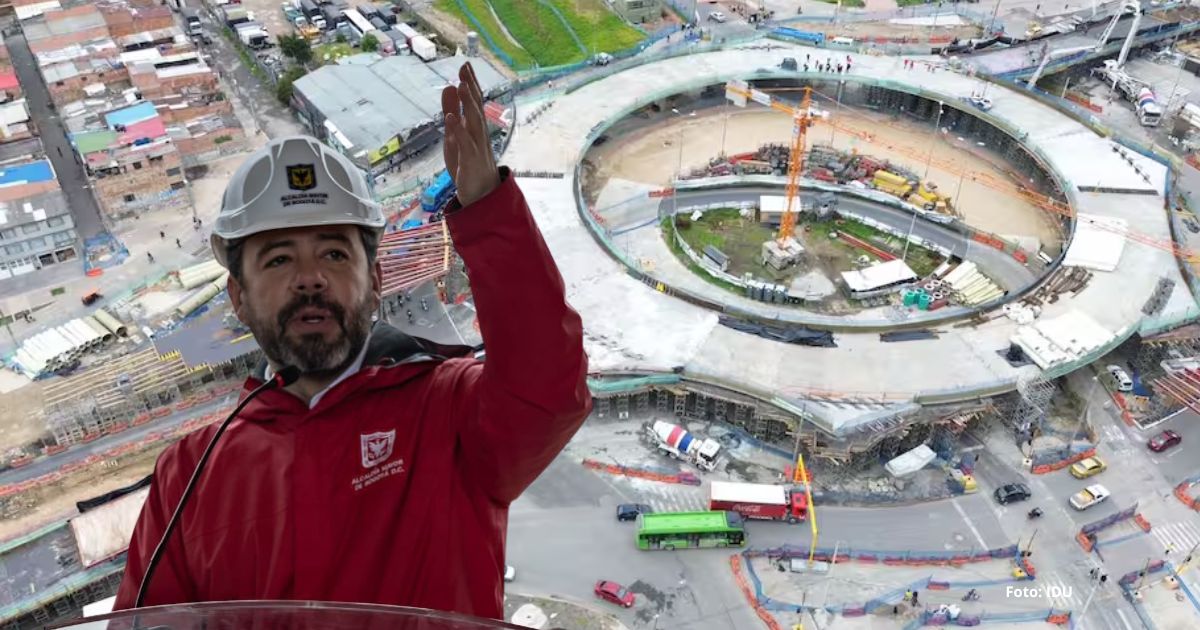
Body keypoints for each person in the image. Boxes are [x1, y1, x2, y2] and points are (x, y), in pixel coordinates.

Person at [113, 63, 592, 619]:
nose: (310, 277)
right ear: (238, 297)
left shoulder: (450, 413)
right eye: (278, 258)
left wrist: (489, 210)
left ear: (376, 285)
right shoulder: (190, 475)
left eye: (335, 254)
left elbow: (547, 390)